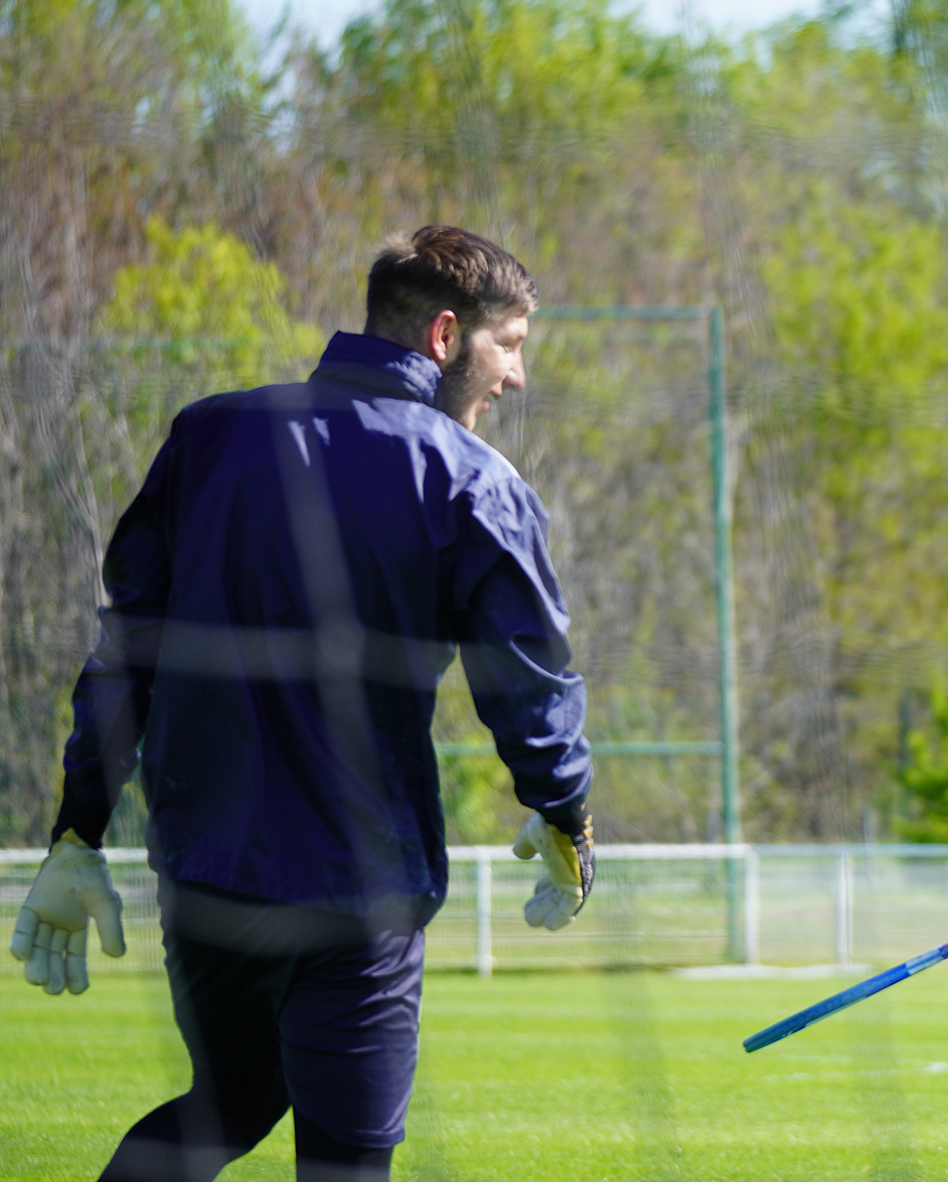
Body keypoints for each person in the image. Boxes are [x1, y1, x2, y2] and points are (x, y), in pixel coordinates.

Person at [9, 225, 596, 1182]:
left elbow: (128, 651)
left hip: (205, 880)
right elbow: (526, 676)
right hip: (354, 888)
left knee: (226, 1104)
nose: (517, 377)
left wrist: (78, 829)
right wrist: (563, 806)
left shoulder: (208, 434)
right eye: (512, 343)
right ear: (445, 337)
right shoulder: (470, 478)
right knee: (349, 1156)